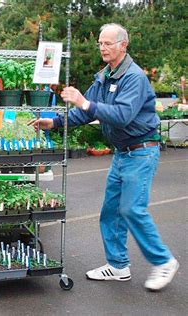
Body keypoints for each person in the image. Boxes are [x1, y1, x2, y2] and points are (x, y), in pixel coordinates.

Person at [29, 23, 179, 291]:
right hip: (123, 154)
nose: (102, 47)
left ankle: (164, 261)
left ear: (123, 45)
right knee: (110, 212)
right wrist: (54, 121)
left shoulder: (134, 78)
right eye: (100, 42)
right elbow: (85, 114)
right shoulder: (104, 77)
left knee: (131, 208)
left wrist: (83, 102)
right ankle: (119, 266)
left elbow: (122, 115)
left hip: (142, 151)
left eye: (108, 43)